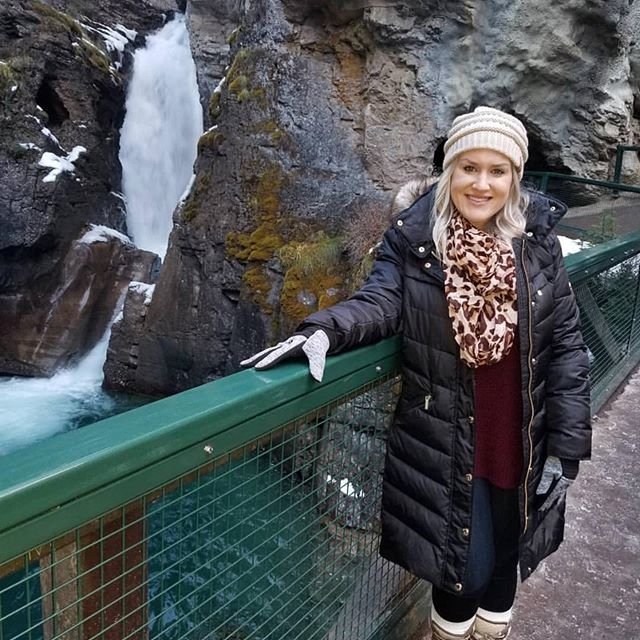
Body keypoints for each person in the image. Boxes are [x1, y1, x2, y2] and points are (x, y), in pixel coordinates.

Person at [241, 106, 591, 640]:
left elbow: (565, 343)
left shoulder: (537, 242)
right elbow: (380, 301)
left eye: (497, 171)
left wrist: (567, 449)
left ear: (515, 178)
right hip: (447, 439)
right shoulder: (415, 240)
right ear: (450, 171)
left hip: (524, 436)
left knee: (506, 559)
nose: (481, 184)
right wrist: (324, 330)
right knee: (463, 571)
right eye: (469, 168)